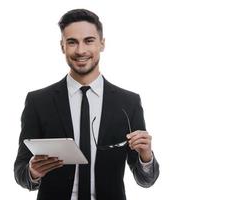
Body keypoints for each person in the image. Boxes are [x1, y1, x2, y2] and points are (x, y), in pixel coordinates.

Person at [14, 9, 159, 200]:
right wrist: (32, 172)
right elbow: (20, 172)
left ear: (102, 44)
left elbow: (145, 180)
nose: (81, 50)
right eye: (72, 42)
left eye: (89, 40)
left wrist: (146, 156)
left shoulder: (128, 103)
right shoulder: (38, 101)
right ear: (62, 46)